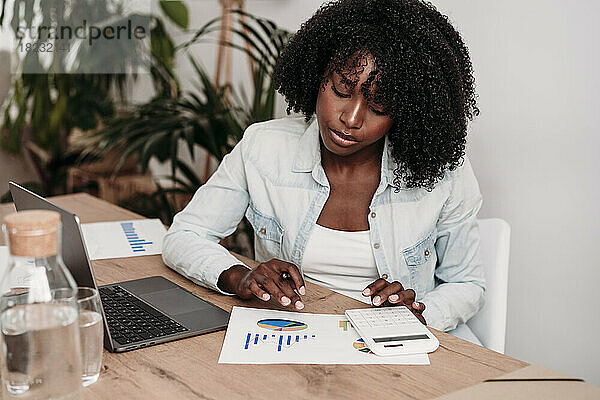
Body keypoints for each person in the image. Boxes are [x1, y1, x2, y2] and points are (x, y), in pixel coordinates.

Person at [163, 0, 485, 339]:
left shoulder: (443, 174)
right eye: (342, 90)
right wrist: (239, 276)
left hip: (403, 349)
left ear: (406, 110)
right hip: (296, 338)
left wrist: (421, 312)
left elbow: (468, 284)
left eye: (378, 107)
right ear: (318, 75)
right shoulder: (263, 149)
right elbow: (184, 236)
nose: (351, 118)